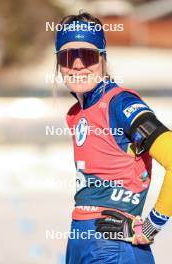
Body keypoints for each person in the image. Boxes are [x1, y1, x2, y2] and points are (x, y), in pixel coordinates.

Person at [55, 11, 172, 264]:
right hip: (80, 242)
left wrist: (151, 226)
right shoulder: (78, 113)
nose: (77, 65)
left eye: (86, 55)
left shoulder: (120, 104)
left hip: (114, 247)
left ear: (102, 59)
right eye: (67, 57)